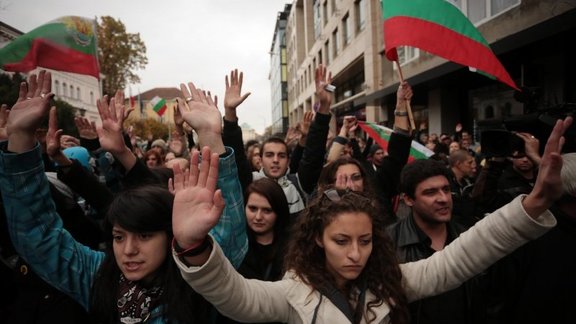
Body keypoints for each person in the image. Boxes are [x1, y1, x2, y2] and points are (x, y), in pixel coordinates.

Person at [170, 111, 572, 323]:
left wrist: (534, 204)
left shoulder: (393, 281)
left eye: (364, 241)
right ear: (317, 240)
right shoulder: (292, 293)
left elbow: (465, 255)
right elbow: (235, 296)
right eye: (341, 241)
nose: (356, 253)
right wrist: (194, 248)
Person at [0, 71, 248, 323]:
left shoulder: (199, 279)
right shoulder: (98, 277)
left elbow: (228, 234)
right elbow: (38, 236)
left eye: (144, 236)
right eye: (119, 237)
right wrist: (20, 137)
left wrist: (209, 136)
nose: (129, 250)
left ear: (171, 235)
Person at [387, 159, 489, 323]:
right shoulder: (387, 244)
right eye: (430, 192)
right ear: (408, 199)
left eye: (446, 190)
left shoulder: (469, 237)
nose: (443, 199)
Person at [216, 177, 290, 324]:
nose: (258, 217)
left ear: (278, 212)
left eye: (267, 210)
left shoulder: (292, 249)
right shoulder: (233, 246)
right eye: (252, 208)